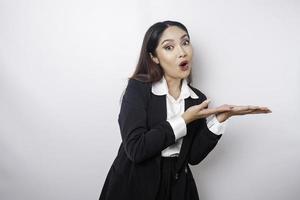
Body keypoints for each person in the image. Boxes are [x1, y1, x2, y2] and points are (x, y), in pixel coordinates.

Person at [98, 20, 271, 200]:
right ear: (154, 57)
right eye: (169, 47)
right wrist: (184, 120)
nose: (182, 52)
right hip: (134, 185)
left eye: (185, 42)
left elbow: (193, 157)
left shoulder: (197, 99)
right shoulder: (138, 89)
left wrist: (219, 119)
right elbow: (136, 149)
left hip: (177, 185)